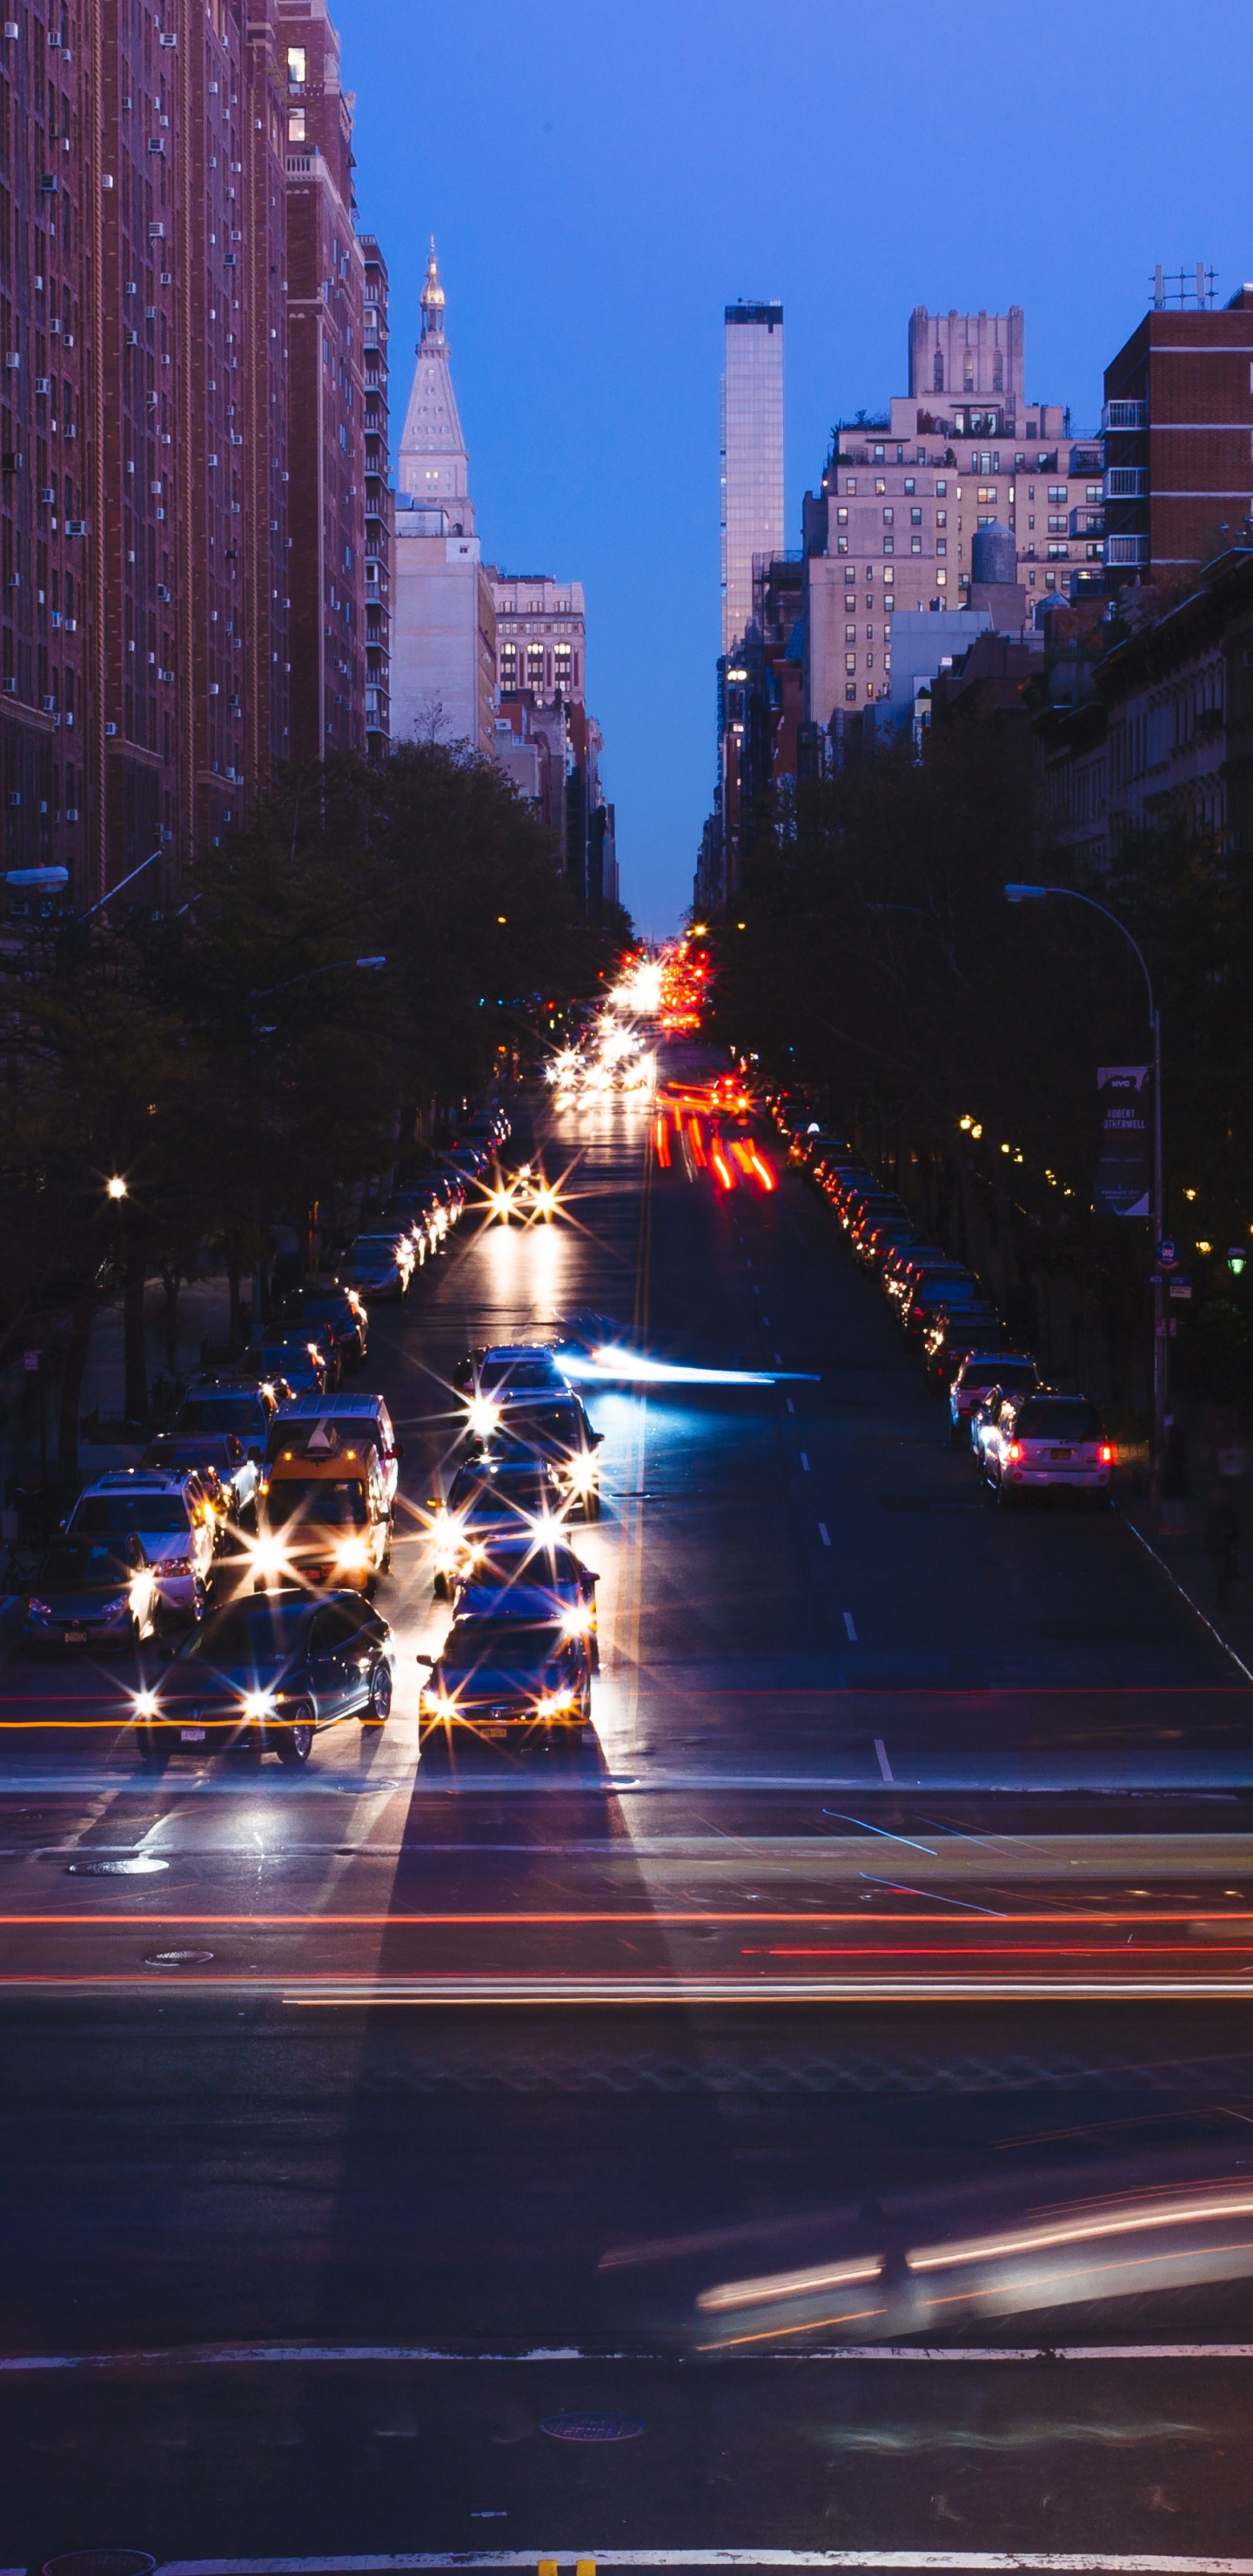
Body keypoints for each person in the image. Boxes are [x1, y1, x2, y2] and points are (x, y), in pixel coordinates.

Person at [1204, 1492, 1241, 1613]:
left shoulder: (1218, 1513)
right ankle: (1223, 1601)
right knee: (1223, 1575)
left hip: (1221, 1547)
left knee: (1222, 1575)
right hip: (1223, 1547)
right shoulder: (1227, 1512)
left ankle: (1223, 1601)